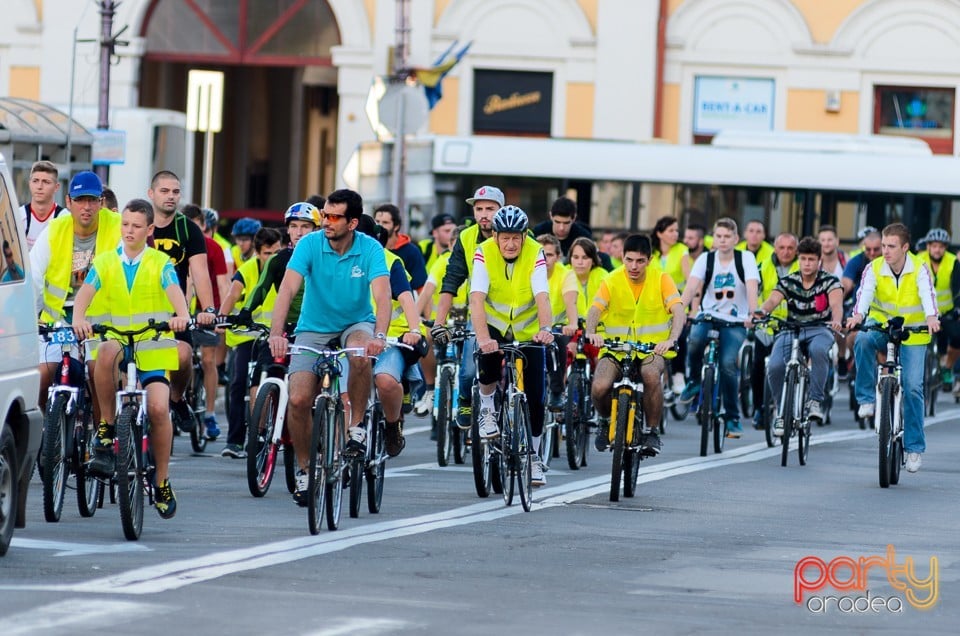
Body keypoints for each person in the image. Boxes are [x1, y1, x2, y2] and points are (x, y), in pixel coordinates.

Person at [267, 189, 391, 506]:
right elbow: (288, 289)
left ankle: (356, 427)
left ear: (352, 223)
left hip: (356, 324)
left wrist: (379, 334)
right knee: (297, 398)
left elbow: (382, 297)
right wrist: (277, 332)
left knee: (362, 354)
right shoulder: (309, 244)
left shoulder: (371, 249)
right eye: (324, 215)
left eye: (334, 217)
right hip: (313, 328)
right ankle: (307, 470)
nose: (326, 222)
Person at [72, 198, 191, 519]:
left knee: (156, 408)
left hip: (153, 345)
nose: (129, 230)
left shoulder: (160, 262)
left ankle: (163, 481)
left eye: (137, 226)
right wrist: (79, 318)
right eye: (125, 224)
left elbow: (174, 291)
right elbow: (85, 293)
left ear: (149, 230)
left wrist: (182, 316)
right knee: (104, 352)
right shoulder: (106, 261)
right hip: (119, 342)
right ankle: (107, 427)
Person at [469, 205, 554, 486]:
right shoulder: (483, 251)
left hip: (528, 329)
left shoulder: (535, 252)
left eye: (516, 237)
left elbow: (542, 295)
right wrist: (483, 338)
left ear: (524, 236)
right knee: (488, 360)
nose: (510, 243)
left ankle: (533, 457)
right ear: (495, 236)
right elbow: (477, 299)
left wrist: (545, 329)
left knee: (536, 395)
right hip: (493, 324)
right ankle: (486, 407)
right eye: (504, 237)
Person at [228, 204, 319, 459]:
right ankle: (258, 435)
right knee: (262, 376)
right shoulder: (280, 259)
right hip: (284, 330)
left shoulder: (324, 257)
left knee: (318, 382)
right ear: (287, 230)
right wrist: (245, 312)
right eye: (293, 227)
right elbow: (260, 288)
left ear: (316, 229)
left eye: (305, 227)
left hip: (317, 330)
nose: (299, 232)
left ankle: (320, 426)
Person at [846, 223, 939, 474]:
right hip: (883, 325)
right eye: (883, 245)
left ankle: (914, 449)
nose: (884, 251)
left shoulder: (919, 267)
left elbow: (927, 294)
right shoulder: (873, 267)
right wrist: (857, 317)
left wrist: (931, 317)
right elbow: (863, 295)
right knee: (862, 340)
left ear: (905, 248)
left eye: (891, 246)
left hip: (914, 332)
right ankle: (865, 398)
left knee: (913, 387)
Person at [30, 171, 121, 418]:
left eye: (92, 200)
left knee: (97, 373)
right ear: (68, 202)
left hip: (102, 321)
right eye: (80, 200)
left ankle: (102, 435)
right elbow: (34, 277)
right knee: (41, 376)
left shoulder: (117, 227)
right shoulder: (55, 229)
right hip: (57, 320)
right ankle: (44, 437)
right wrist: (30, 316)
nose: (87, 207)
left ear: (102, 202)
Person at [587, 233, 685, 456]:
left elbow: (678, 311)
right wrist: (591, 332)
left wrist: (671, 340)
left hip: (651, 349)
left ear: (649, 260)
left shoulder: (662, 279)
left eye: (640, 261)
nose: (634, 266)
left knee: (651, 375)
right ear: (621, 257)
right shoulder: (611, 280)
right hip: (615, 349)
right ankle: (603, 421)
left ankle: (651, 431)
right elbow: (595, 309)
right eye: (629, 260)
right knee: (600, 386)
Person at [146, 170, 216, 431]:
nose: (171, 196)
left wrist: (208, 310)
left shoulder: (189, 229)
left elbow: (200, 273)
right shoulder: (139, 224)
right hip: (136, 309)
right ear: (151, 194)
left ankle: (177, 398)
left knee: (184, 355)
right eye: (164, 191)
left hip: (174, 313)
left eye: (175, 192)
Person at [678, 218, 760, 438]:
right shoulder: (706, 259)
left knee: (727, 364)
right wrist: (679, 310)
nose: (722, 241)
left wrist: (753, 312)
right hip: (708, 314)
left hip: (736, 320)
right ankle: (694, 380)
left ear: (735, 239)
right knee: (694, 340)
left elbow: (752, 287)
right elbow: (691, 288)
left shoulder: (746, 258)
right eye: (718, 236)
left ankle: (733, 418)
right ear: (713, 238)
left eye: (727, 236)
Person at [431, 185, 504, 430]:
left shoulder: (519, 234)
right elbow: (451, 281)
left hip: (519, 316)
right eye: (479, 209)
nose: (484, 214)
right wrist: (439, 324)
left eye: (490, 209)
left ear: (501, 210)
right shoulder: (465, 237)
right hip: (482, 312)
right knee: (471, 367)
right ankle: (465, 398)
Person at [755, 237, 843, 432]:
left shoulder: (829, 281)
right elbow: (772, 301)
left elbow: (836, 304)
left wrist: (836, 319)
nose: (807, 264)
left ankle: (814, 401)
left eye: (811, 259)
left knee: (819, 351)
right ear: (799, 259)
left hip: (819, 328)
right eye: (803, 259)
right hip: (791, 329)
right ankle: (781, 411)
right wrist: (762, 311)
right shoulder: (789, 281)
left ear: (819, 261)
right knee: (775, 365)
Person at [359, 215, 426, 457]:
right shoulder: (334, 259)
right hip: (351, 338)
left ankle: (391, 426)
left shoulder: (390, 262)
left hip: (391, 339)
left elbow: (407, 298)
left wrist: (414, 330)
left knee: (385, 381)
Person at [218, 225, 283, 458]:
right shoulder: (246, 270)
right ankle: (234, 441)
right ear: (257, 253)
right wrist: (221, 319)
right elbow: (232, 295)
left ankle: (269, 432)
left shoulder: (286, 269)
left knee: (276, 380)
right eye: (267, 253)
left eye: (276, 252)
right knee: (237, 384)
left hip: (273, 336)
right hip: (246, 336)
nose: (272, 257)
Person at [181, 204, 229, 440]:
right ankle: (181, 400)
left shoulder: (214, 248)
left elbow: (223, 284)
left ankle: (209, 413)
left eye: (196, 227)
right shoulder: (176, 244)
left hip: (210, 309)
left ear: (203, 227)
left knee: (208, 360)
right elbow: (187, 284)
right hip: (185, 309)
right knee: (182, 357)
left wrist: (221, 315)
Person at [412, 212, 458, 416]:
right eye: (453, 245)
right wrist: (413, 321)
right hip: (441, 318)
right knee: (424, 337)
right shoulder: (443, 261)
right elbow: (427, 291)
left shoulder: (477, 262)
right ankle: (430, 389)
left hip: (469, 320)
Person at [652, 215, 693, 395]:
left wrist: (689, 307)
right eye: (671, 230)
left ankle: (678, 374)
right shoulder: (651, 252)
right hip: (655, 304)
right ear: (660, 233)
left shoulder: (682, 250)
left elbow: (690, 281)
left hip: (677, 302)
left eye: (677, 230)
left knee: (680, 336)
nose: (675, 234)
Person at [917, 228, 960, 388]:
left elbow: (957, 289)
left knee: (957, 337)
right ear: (928, 246)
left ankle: (947, 367)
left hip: (946, 311)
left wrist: (957, 309)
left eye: (941, 246)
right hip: (922, 312)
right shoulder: (918, 259)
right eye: (934, 246)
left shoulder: (952, 261)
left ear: (946, 248)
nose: (937, 250)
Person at [840, 228, 882, 379]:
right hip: (861, 310)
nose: (871, 253)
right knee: (852, 337)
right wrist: (836, 302)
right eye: (868, 249)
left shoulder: (890, 262)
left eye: (876, 249)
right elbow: (845, 284)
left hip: (883, 312)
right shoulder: (856, 261)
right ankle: (855, 360)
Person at [531, 196, 613, 270]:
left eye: (566, 223)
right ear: (551, 216)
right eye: (557, 222)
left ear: (574, 218)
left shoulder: (583, 236)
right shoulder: (538, 231)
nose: (561, 227)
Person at [373, 203, 428, 290]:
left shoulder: (411, 251)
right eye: (377, 222)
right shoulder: (371, 249)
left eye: (385, 222)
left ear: (396, 226)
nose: (380, 226)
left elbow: (421, 287)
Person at [19, 160, 66, 250]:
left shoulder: (64, 218)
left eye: (46, 182)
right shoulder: (18, 216)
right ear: (29, 184)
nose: (39, 186)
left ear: (56, 187)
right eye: (35, 181)